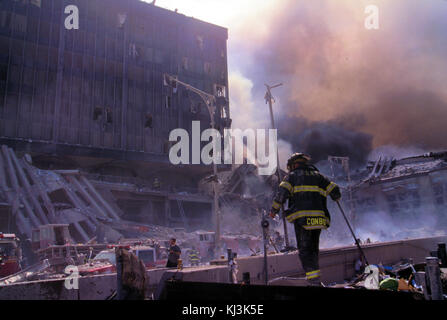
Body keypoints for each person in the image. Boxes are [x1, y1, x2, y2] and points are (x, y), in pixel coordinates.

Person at [269, 153, 341, 285]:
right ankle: (315, 279)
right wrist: (335, 196)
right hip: (319, 220)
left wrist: (273, 211)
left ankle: (313, 281)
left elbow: (281, 194)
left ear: (295, 164)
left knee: (305, 251)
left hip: (303, 220)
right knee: (313, 250)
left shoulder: (292, 177)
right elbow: (335, 189)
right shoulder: (319, 176)